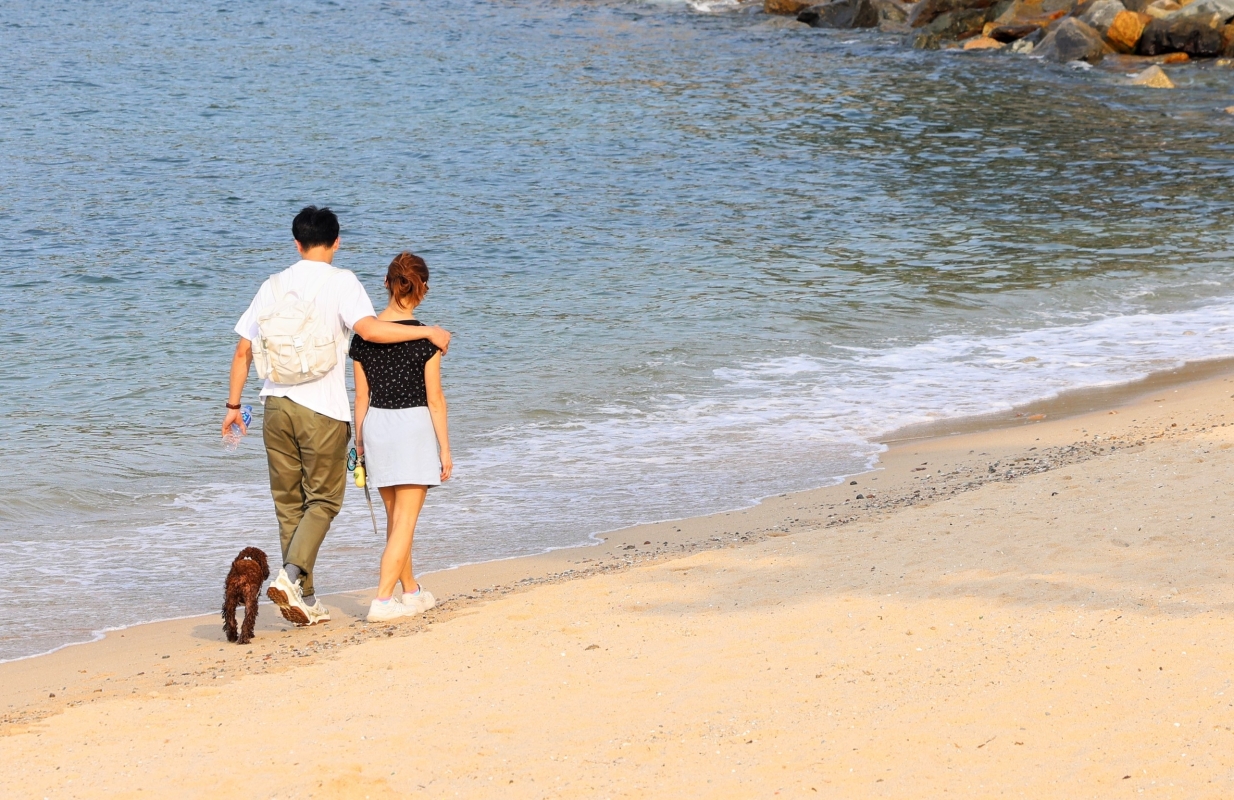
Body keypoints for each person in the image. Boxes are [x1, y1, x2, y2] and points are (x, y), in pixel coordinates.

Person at [222, 207, 451, 627]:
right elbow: (372, 331)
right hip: (322, 410)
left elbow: (243, 350)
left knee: (289, 505)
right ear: (337, 241)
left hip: (275, 407)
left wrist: (233, 407)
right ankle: (291, 578)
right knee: (324, 500)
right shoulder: (342, 281)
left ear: (297, 243)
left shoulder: (271, 285)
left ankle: (305, 597)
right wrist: (427, 331)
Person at [349, 251, 452, 623]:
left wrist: (360, 441)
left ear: (387, 283)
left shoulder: (364, 337)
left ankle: (411, 592)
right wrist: (445, 449)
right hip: (412, 428)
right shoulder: (428, 339)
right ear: (422, 289)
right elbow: (434, 399)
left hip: (376, 425)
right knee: (404, 523)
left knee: (396, 521)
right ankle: (381, 600)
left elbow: (361, 397)